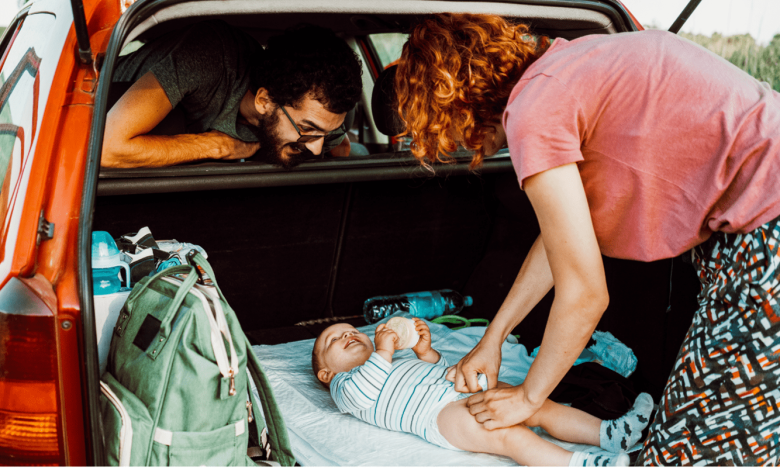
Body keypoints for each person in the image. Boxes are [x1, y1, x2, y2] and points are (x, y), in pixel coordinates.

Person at [394, 13, 780, 466]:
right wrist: (492, 338)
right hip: (758, 222)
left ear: (455, 99)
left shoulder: (533, 111)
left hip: (767, 238)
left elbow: (584, 293)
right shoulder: (574, 66)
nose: (464, 142)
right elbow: (566, 242)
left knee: (689, 452)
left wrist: (528, 397)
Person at [311, 319, 654, 466]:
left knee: (534, 404)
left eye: (353, 330)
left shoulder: (390, 356)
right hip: (439, 417)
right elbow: (363, 392)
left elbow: (433, 367)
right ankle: (579, 464)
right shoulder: (343, 386)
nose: (348, 335)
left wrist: (425, 352)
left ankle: (611, 434)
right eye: (334, 340)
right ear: (326, 372)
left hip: (454, 387)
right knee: (508, 436)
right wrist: (383, 351)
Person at [102, 20, 363, 169]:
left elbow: (339, 144)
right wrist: (218, 146)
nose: (317, 149)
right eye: (308, 129)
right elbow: (107, 148)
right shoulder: (207, 57)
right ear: (264, 101)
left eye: (326, 134)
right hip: (96, 100)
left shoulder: (319, 125)